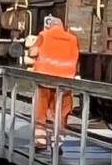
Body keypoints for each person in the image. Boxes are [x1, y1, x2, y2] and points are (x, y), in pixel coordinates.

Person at [30, 12, 79, 146]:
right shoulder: (73, 39)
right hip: (65, 82)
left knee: (41, 111)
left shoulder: (44, 35)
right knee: (62, 112)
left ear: (49, 26)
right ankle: (57, 141)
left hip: (45, 79)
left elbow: (33, 52)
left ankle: (40, 141)